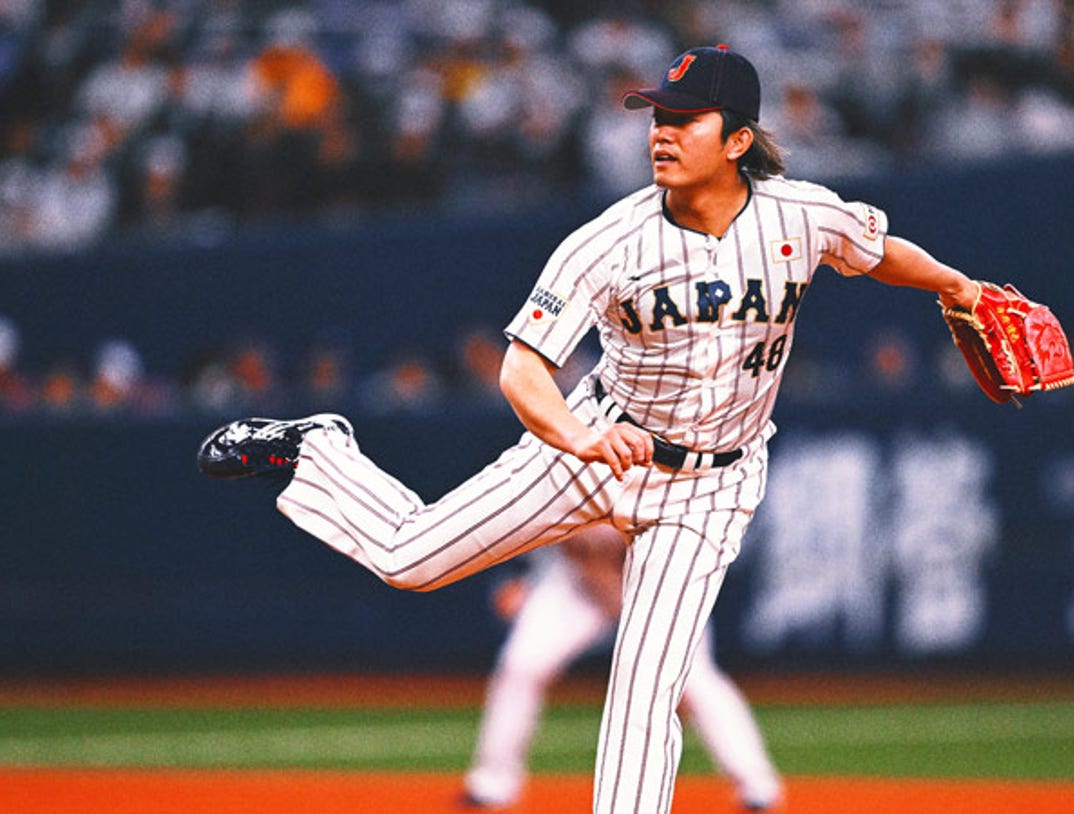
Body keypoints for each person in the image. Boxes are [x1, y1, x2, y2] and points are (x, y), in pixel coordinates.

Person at [197, 44, 982, 814]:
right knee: (412, 558)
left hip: (712, 486)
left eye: (685, 120)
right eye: (657, 117)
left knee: (648, 688)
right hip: (598, 442)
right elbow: (522, 369)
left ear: (738, 140)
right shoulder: (609, 242)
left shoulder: (801, 216)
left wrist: (960, 287)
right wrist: (578, 439)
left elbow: (875, 249)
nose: (662, 133)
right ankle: (319, 448)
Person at [465, 523, 782, 810]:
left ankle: (756, 783)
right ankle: (493, 780)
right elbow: (536, 514)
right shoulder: (576, 476)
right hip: (581, 584)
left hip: (657, 587)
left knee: (695, 679)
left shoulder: (668, 485)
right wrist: (521, 575)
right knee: (522, 664)